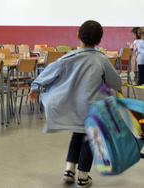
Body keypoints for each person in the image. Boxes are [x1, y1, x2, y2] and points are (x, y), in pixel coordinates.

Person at [28, 20, 121, 188]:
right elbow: (115, 82)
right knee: (90, 139)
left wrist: (35, 87)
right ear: (99, 40)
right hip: (93, 109)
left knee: (77, 134)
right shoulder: (102, 60)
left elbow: (50, 71)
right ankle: (83, 176)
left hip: (74, 108)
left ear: (78, 35)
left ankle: (69, 170)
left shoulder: (68, 58)